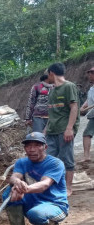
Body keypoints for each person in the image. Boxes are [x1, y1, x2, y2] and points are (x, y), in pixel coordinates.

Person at [0, 132, 68, 225]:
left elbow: (44, 184)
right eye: (28, 146)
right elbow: (14, 176)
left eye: (37, 145)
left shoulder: (55, 163)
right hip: (34, 201)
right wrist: (17, 183)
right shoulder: (22, 162)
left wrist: (23, 189)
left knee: (36, 214)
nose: (31, 149)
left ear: (45, 147)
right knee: (9, 193)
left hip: (55, 204)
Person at [45, 62, 80, 195]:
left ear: (51, 73)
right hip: (52, 131)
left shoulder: (69, 86)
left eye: (47, 74)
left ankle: (68, 188)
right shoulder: (52, 91)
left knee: (66, 158)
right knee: (49, 158)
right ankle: (53, 185)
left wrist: (69, 128)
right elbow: (52, 113)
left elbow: (74, 108)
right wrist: (45, 131)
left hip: (64, 130)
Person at [79, 66, 94, 164]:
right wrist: (83, 107)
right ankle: (87, 156)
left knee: (87, 134)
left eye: (92, 73)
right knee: (87, 134)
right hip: (93, 115)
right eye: (90, 73)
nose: (90, 75)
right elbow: (89, 100)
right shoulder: (92, 88)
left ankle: (87, 156)